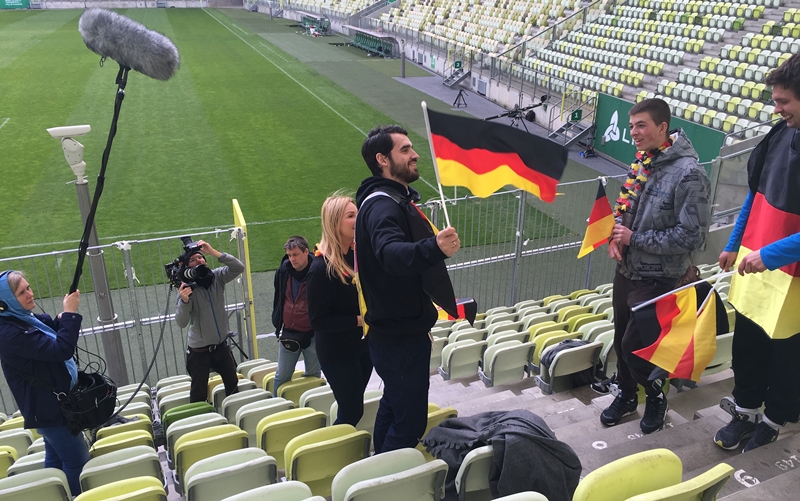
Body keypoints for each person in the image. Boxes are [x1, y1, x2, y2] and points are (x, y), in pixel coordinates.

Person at [601, 98, 711, 434]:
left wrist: (634, 239)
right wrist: (615, 237)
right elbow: (625, 211)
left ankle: (655, 397)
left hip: (660, 279)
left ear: (662, 127)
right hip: (627, 272)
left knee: (636, 348)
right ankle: (626, 395)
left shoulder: (690, 174)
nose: (634, 132)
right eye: (631, 126)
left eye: (641, 125)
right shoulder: (643, 160)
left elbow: (690, 237)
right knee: (621, 339)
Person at [713, 53, 800, 453]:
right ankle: (745, 410)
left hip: (790, 277)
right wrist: (734, 243)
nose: (776, 109)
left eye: (784, 101)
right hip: (756, 264)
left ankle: (773, 420)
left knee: (787, 355)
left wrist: (771, 254)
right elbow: (755, 193)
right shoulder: (779, 135)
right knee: (748, 345)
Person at [355, 125, 460, 453]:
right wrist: (434, 248)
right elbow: (390, 254)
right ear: (382, 159)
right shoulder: (382, 206)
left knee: (393, 404)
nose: (415, 155)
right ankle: (389, 474)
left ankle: (380, 460)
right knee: (410, 422)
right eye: (405, 150)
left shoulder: (390, 200)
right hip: (399, 340)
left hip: (396, 334)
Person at [0, 271, 89, 495]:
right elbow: (61, 349)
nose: (30, 294)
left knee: (56, 459)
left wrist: (62, 318)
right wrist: (70, 314)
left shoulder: (20, 318)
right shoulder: (9, 334)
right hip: (50, 411)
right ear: (4, 303)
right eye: (22, 293)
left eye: (28, 287)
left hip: (48, 408)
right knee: (78, 462)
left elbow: (47, 331)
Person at [307, 193, 373, 426]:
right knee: (352, 411)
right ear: (335, 223)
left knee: (353, 404)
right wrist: (359, 320)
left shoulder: (356, 254)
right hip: (337, 354)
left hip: (363, 346)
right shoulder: (320, 269)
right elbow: (318, 320)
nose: (358, 219)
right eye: (351, 216)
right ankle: (336, 444)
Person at [175, 240, 244, 403]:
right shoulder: (186, 289)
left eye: (200, 257)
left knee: (233, 385)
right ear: (187, 268)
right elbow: (181, 322)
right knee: (198, 393)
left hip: (221, 346)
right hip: (199, 351)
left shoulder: (217, 277)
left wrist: (213, 252)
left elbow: (238, 267)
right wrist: (184, 302)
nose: (198, 260)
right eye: (193, 259)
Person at [272, 236, 322, 397]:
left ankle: (311, 404)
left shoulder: (318, 271)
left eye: (295, 254)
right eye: (289, 255)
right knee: (281, 377)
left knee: (314, 376)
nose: (292, 259)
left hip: (313, 334)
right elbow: (279, 297)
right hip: (289, 332)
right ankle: (277, 405)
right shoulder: (282, 272)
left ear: (306, 252)